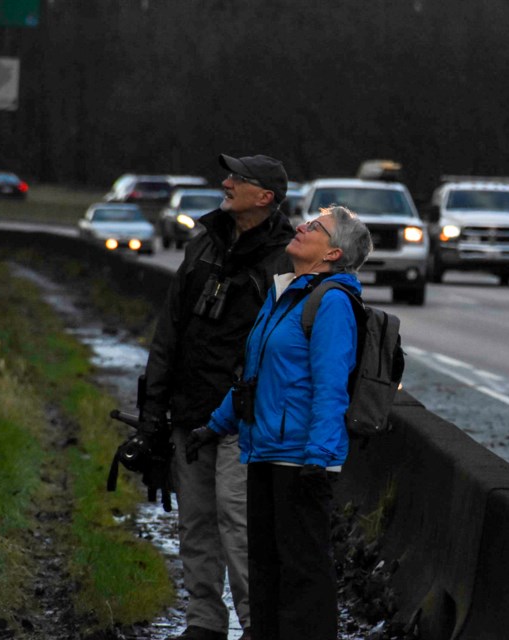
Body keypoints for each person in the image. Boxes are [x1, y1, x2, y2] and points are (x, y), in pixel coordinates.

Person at [186, 206, 373, 640]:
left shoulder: (332, 304)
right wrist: (215, 426)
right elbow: (254, 379)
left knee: (303, 578)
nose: (302, 227)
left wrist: (320, 459)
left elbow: (330, 387)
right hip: (265, 452)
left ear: (333, 253)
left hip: (301, 461)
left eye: (316, 227)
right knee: (266, 576)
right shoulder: (284, 296)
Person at [140, 154, 296, 640]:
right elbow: (170, 331)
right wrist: (153, 414)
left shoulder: (287, 259)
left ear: (264, 197)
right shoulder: (203, 243)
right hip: (190, 413)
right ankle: (204, 623)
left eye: (238, 179)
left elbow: (284, 347)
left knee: (239, 525)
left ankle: (256, 626)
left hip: (244, 421)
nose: (225, 183)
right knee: (196, 525)